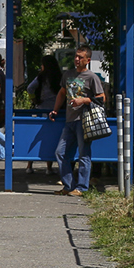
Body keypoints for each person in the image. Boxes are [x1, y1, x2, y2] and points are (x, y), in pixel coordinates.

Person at [49, 45, 106, 196]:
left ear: (87, 60)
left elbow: (102, 98)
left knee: (84, 154)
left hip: (84, 121)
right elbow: (62, 93)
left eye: (80, 57)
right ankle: (68, 186)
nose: (76, 59)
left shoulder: (92, 77)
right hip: (69, 121)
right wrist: (55, 109)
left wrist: (84, 100)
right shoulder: (68, 75)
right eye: (76, 56)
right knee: (60, 153)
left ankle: (81, 187)